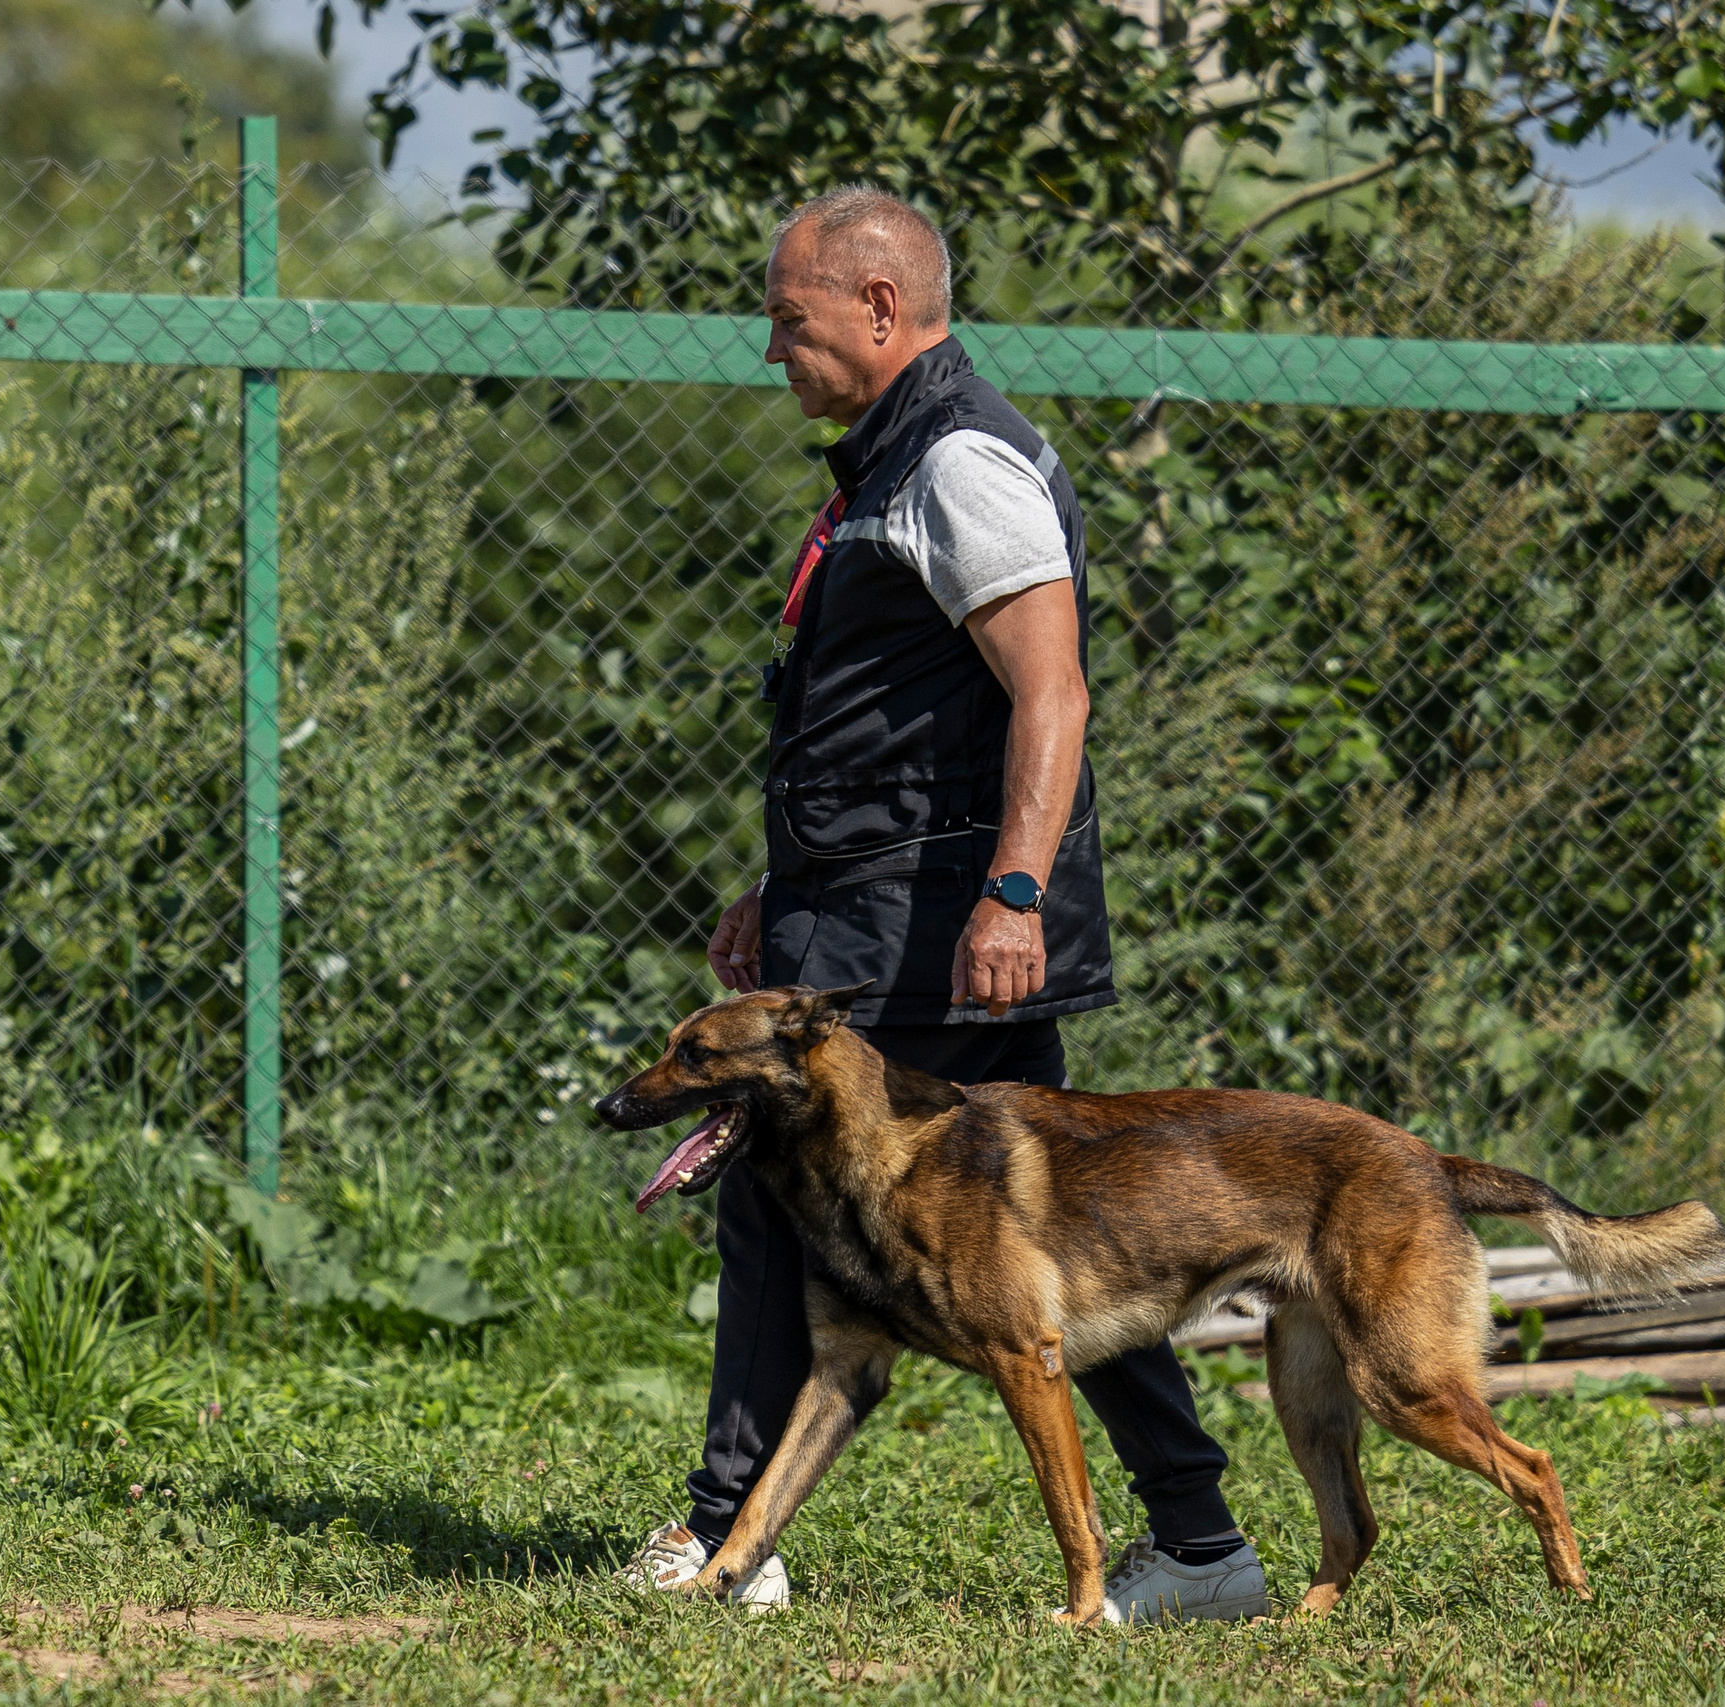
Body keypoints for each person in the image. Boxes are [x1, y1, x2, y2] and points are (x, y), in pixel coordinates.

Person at [618, 187, 1264, 1625]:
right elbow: (888, 726)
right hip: (870, 911)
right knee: (1061, 1259)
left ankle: (729, 1538)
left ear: (881, 309)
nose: (769, 349)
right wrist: (776, 889)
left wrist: (1013, 894)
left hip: (935, 928)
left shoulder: (959, 460)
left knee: (786, 1214)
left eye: (790, 321)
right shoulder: (891, 462)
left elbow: (1054, 690)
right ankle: (1204, 1543)